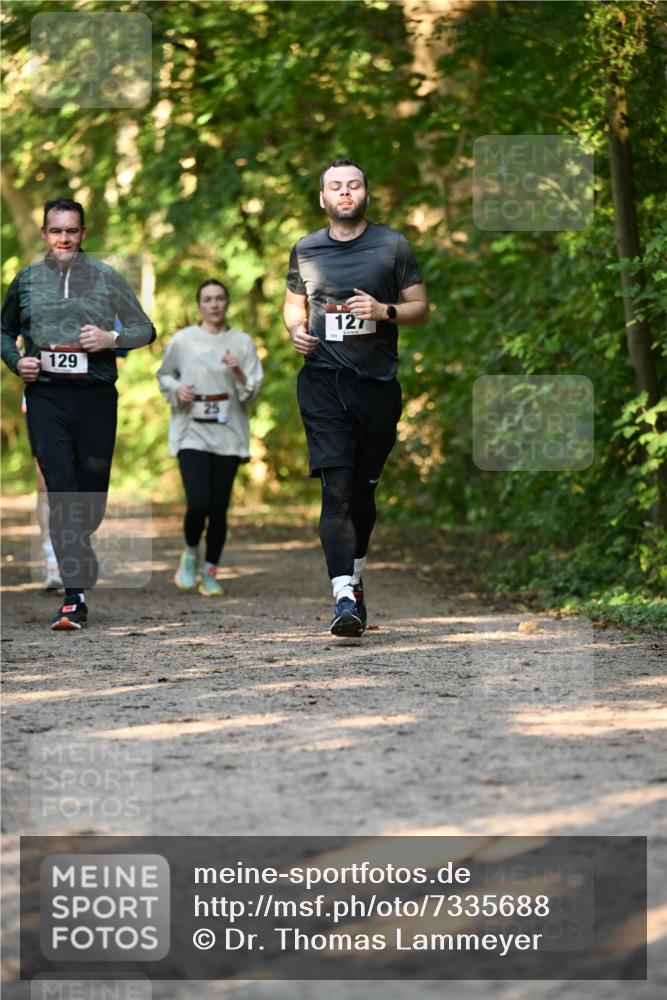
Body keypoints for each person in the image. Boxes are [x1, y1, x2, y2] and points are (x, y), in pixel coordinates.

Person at [283, 157, 429, 637]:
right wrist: (296, 332)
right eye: (335, 187)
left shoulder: (392, 246)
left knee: (363, 493)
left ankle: (356, 571)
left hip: (377, 387)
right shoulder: (305, 249)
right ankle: (343, 596)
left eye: (353, 186)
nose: (344, 193)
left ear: (365, 194)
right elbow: (293, 306)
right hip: (323, 381)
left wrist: (385, 310)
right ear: (322, 199)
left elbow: (420, 309)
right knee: (337, 487)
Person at [1, 197, 156, 630]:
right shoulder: (27, 280)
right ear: (44, 234)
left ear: (83, 234)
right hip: (47, 398)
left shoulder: (106, 278)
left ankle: (79, 548)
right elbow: (4, 329)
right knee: (61, 491)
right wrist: (18, 363)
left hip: (95, 400)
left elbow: (145, 328)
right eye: (56, 231)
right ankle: (74, 597)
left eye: (71, 230)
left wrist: (111, 338)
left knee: (90, 501)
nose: (64, 238)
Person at [156, 279, 263, 595]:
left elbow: (252, 391)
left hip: (228, 434)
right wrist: (179, 390)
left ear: (227, 303)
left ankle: (211, 572)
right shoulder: (183, 340)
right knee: (198, 501)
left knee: (218, 508)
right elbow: (164, 374)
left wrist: (238, 370)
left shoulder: (242, 342)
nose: (214, 304)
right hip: (192, 431)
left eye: (219, 298)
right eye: (207, 299)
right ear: (199, 305)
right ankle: (190, 554)